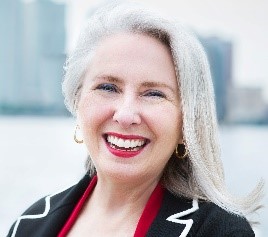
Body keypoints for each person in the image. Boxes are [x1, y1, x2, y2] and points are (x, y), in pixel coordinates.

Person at [7, 2, 263, 237]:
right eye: (107, 87)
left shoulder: (219, 232)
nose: (126, 115)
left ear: (186, 124)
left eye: (154, 93)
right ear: (78, 101)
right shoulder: (28, 224)